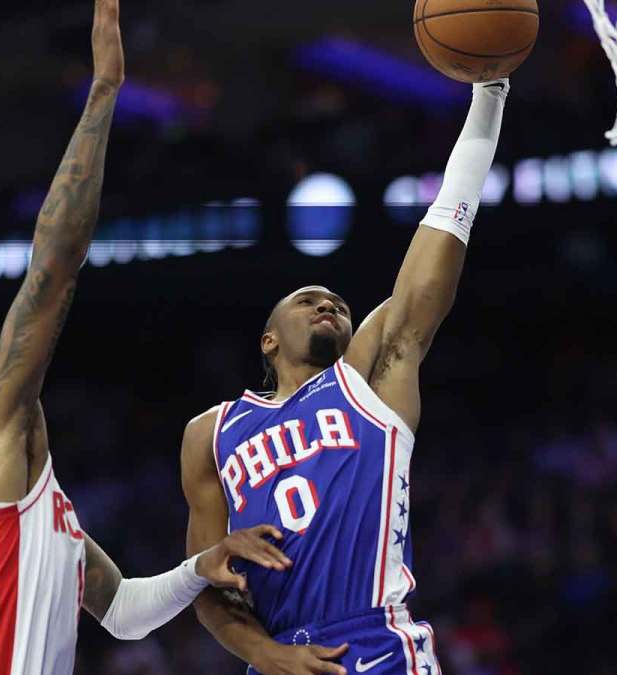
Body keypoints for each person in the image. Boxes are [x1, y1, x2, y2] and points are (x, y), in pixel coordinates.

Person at [0, 2, 290, 672]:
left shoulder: (40, 509)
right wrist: (103, 92)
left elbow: (126, 610)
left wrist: (201, 565)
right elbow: (51, 269)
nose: (9, 357)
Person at [180, 79, 512, 675]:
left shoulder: (368, 382)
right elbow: (205, 583)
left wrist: (489, 96)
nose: (327, 304)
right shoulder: (209, 433)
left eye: (336, 301)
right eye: (308, 299)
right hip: (278, 654)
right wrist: (268, 655)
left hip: (379, 645)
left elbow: (439, 235)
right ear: (268, 338)